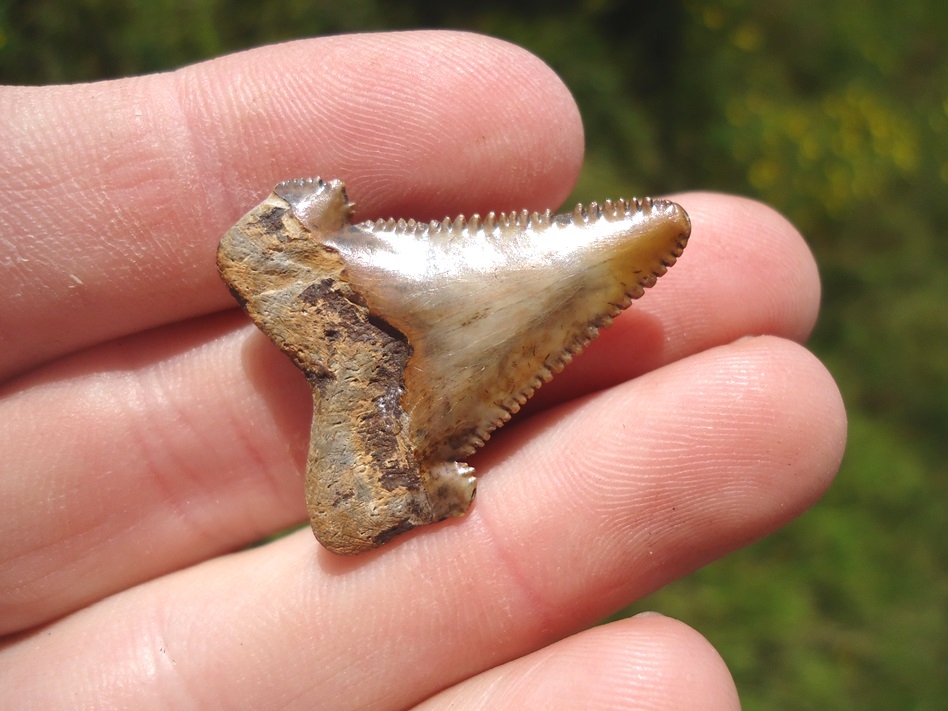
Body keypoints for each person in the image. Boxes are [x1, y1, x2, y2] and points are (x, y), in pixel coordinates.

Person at [0, 31, 846, 709]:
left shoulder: (295, 265)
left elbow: (261, 251)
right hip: (362, 374)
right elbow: (261, 258)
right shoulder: (296, 274)